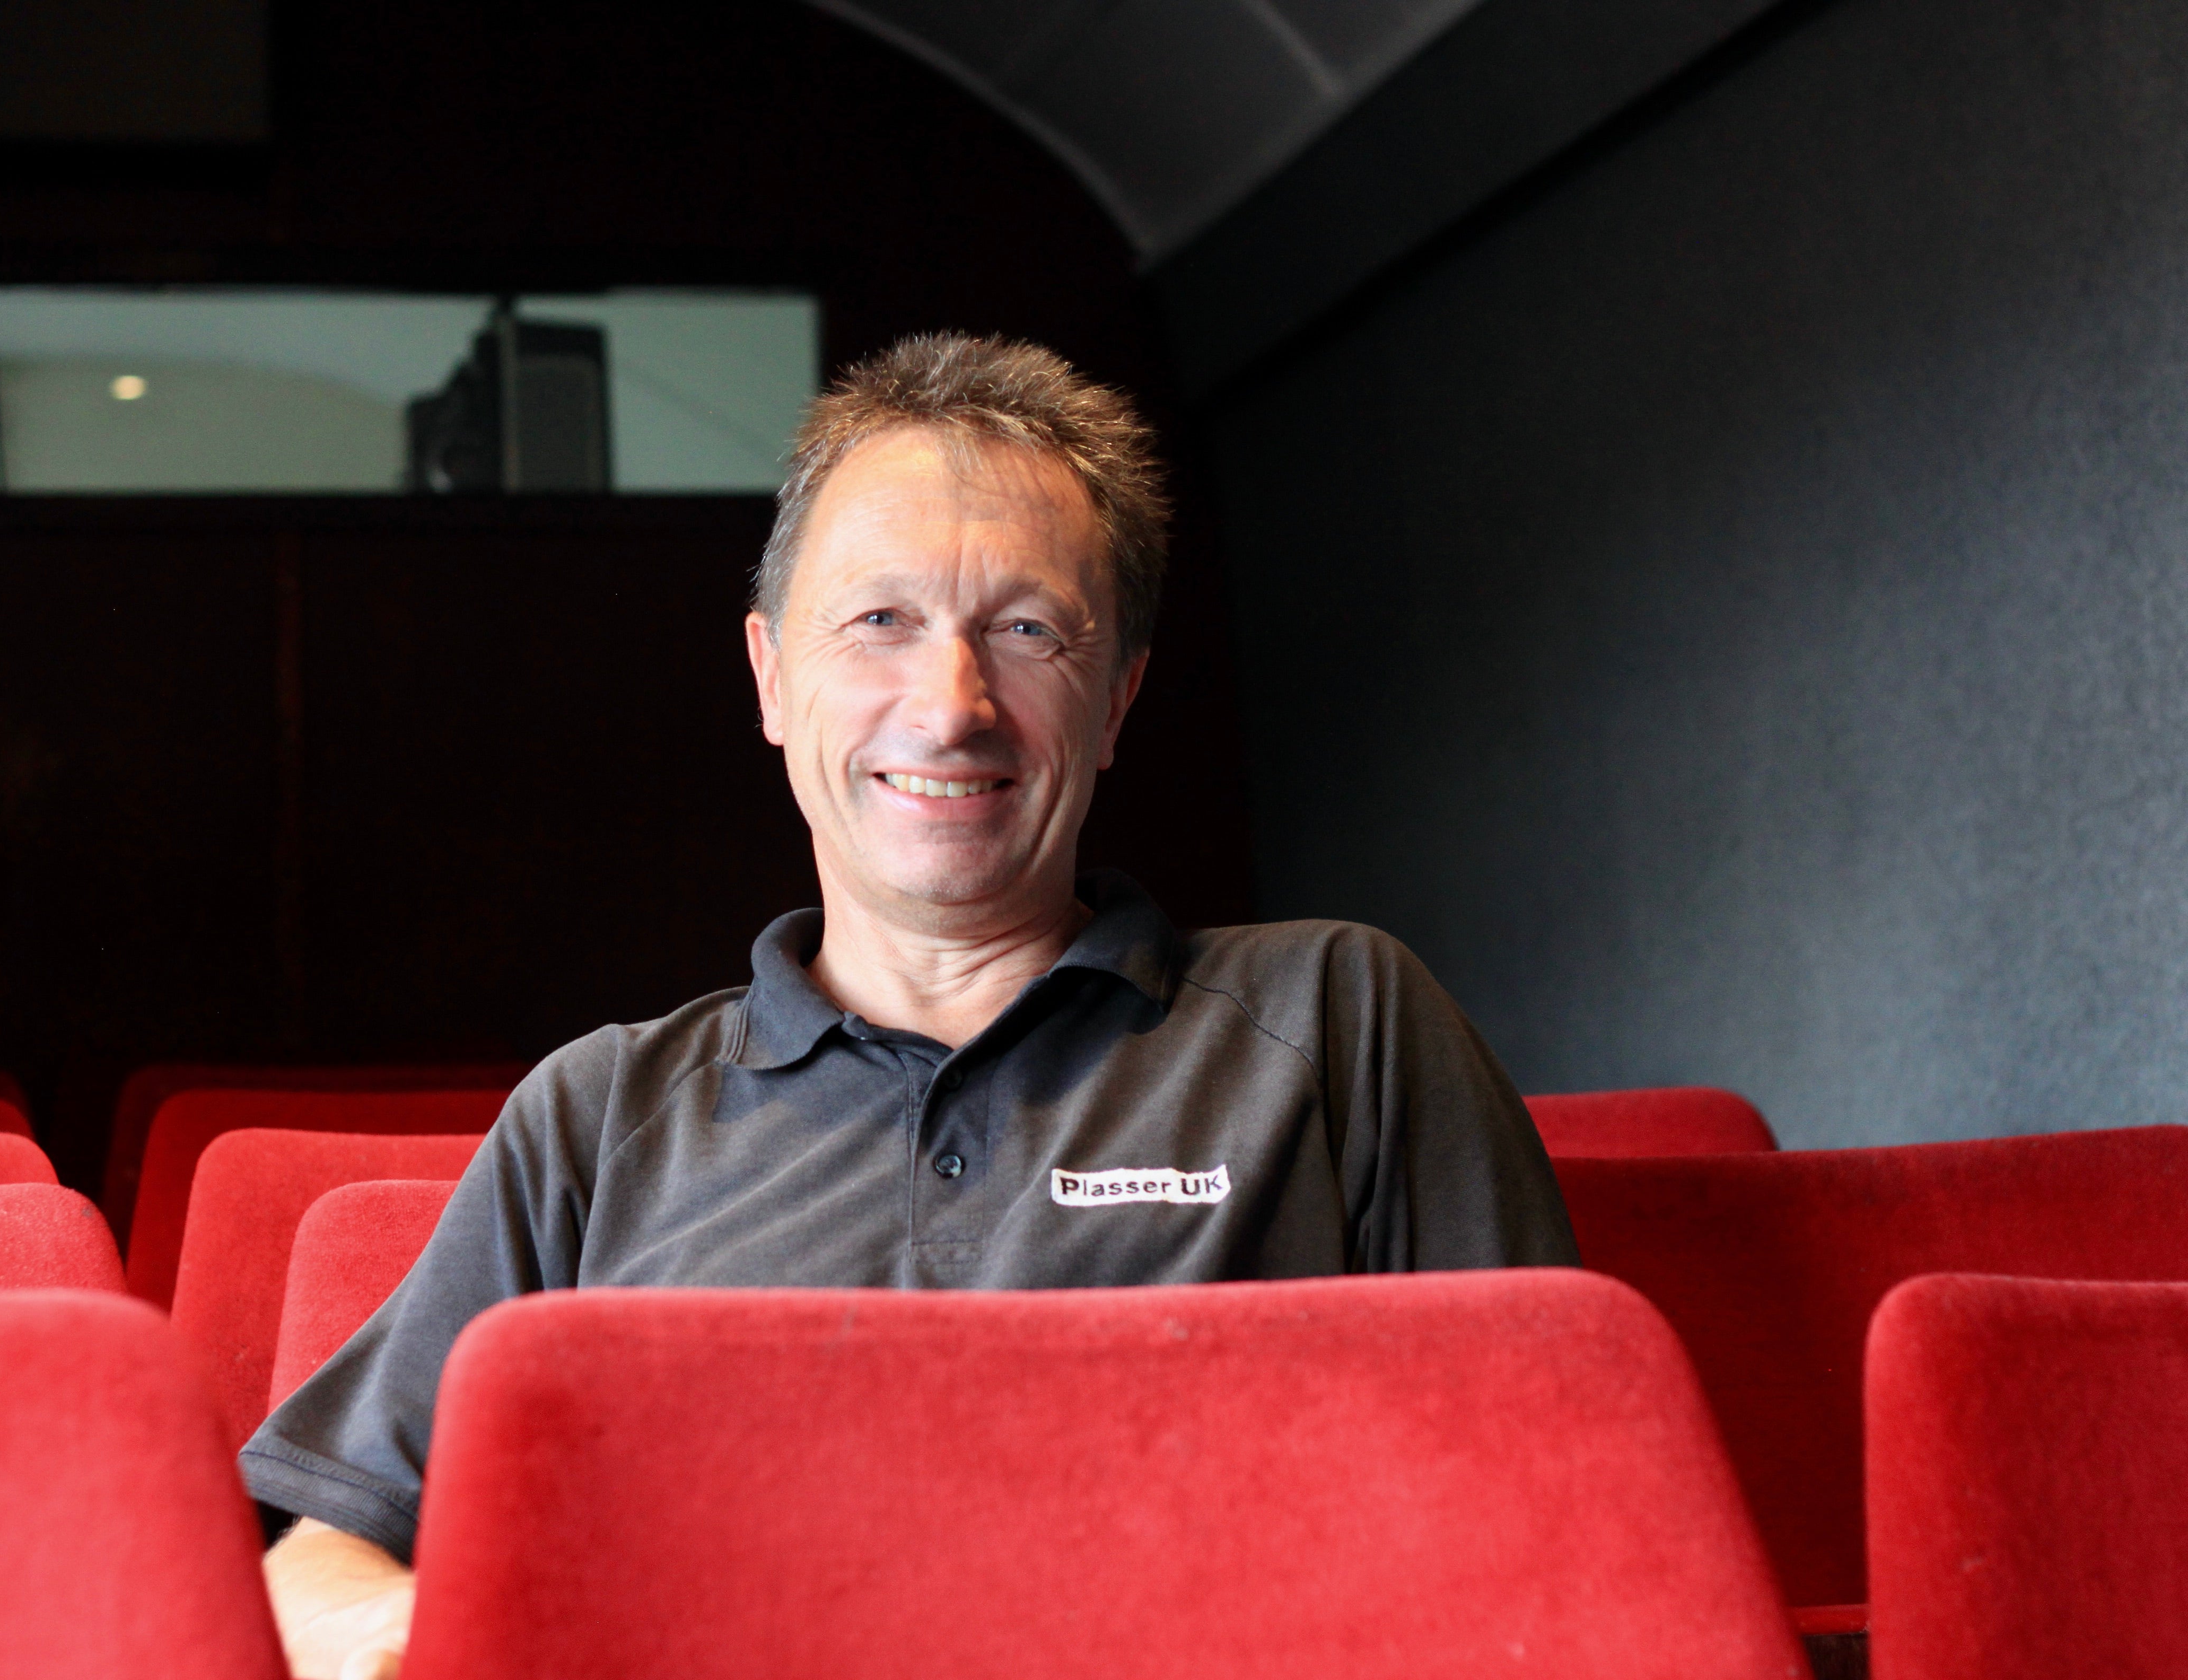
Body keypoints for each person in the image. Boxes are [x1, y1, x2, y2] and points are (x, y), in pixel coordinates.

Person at [244, 331, 1578, 1679]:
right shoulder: (599, 1117)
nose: (952, 708)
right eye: (880, 620)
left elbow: (1561, 1505)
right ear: (772, 678)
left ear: (1116, 700)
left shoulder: (1343, 1019)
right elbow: (326, 1554)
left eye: (1026, 630)